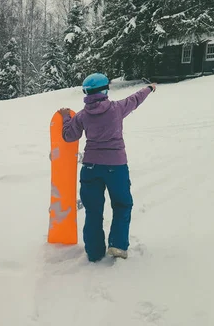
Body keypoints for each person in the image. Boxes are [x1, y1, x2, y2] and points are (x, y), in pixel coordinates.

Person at [58, 73, 156, 262]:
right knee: (122, 204)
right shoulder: (117, 108)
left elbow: (68, 136)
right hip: (116, 167)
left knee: (93, 210)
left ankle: (94, 252)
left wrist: (65, 118)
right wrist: (149, 88)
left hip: (91, 168)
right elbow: (136, 99)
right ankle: (118, 246)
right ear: (104, 91)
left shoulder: (81, 116)